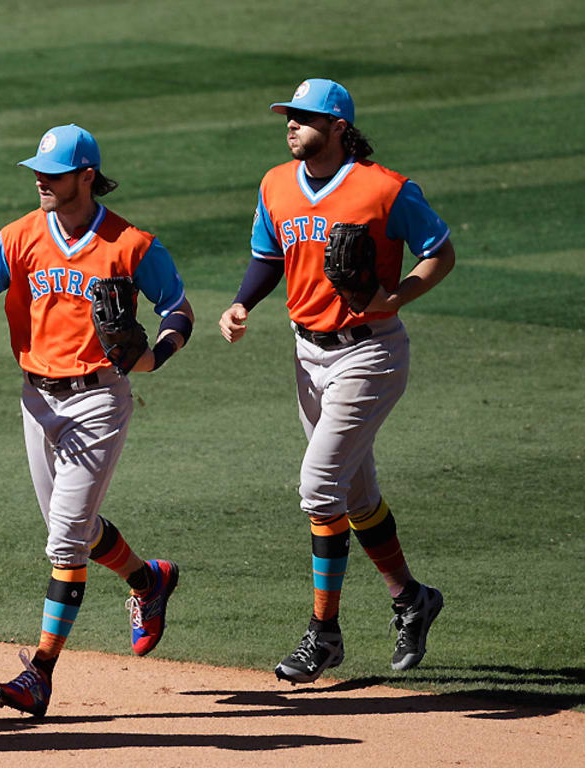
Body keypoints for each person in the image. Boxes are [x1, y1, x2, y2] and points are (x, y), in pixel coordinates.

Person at [0, 124, 193, 718]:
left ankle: (40, 672)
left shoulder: (131, 244)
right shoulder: (19, 237)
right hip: (37, 400)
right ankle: (147, 580)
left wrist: (155, 355)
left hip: (99, 399)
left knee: (64, 537)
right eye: (37, 170)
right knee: (78, 532)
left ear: (86, 176)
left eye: (53, 173)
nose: (41, 179)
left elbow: (178, 309)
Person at [220, 79, 454, 683]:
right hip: (307, 354)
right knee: (354, 496)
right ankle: (411, 598)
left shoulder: (386, 189)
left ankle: (322, 633)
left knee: (318, 487)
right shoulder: (276, 183)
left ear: (338, 126)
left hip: (370, 355)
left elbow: (440, 251)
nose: (290, 124)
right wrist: (243, 303)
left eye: (303, 117)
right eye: (288, 116)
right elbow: (268, 257)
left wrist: (396, 295)